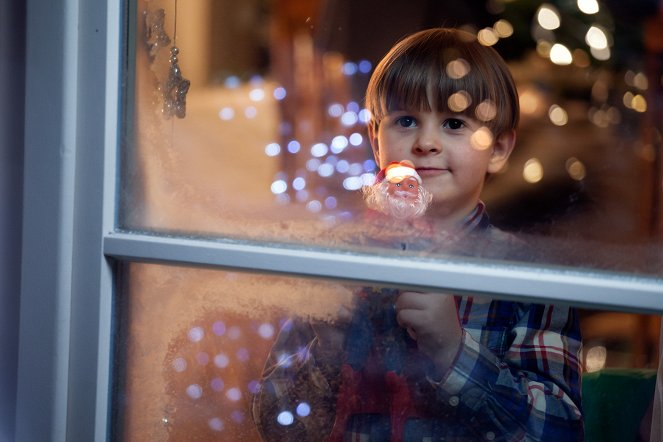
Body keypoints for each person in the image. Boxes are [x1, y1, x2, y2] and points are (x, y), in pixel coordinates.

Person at [252, 28, 584, 441]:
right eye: (406, 120)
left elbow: (560, 431)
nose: (426, 142)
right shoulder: (339, 262)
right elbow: (274, 421)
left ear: (498, 148)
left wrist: (452, 351)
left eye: (454, 123)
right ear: (377, 140)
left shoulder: (529, 275)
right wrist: (328, 345)